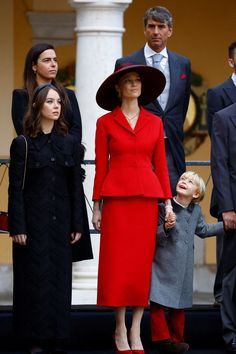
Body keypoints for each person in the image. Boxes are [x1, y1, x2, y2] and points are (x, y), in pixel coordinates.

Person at [92, 63, 172, 354]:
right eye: (129, 80)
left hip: (146, 200)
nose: (135, 85)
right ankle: (119, 327)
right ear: (118, 87)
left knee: (140, 267)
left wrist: (168, 203)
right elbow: (102, 164)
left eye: (138, 80)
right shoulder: (105, 123)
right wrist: (97, 206)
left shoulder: (155, 122)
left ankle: (136, 329)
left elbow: (161, 165)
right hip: (116, 200)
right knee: (118, 266)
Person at [8, 84, 93, 354]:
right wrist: (17, 226)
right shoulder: (22, 143)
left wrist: (79, 224)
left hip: (61, 224)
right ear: (37, 106)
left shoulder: (69, 143)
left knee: (59, 280)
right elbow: (15, 189)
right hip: (32, 226)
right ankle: (35, 339)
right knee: (33, 281)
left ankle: (58, 337)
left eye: (59, 102)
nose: (57, 106)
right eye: (51, 102)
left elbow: (74, 187)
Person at [115, 6, 191, 193]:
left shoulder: (183, 63)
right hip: (138, 144)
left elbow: (182, 104)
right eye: (151, 26)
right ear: (144, 29)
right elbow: (120, 105)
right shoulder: (126, 63)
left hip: (171, 144)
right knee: (140, 194)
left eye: (161, 26)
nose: (155, 31)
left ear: (170, 30)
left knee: (173, 198)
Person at [150, 171, 224, 353]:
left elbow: (204, 230)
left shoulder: (196, 211)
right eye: (183, 178)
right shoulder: (163, 207)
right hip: (161, 265)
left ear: (196, 194)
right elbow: (153, 236)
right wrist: (165, 228)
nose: (184, 181)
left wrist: (226, 225)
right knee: (157, 301)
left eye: (190, 181)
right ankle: (162, 339)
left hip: (183, 266)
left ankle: (177, 339)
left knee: (179, 303)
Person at [207, 41, 236, 305]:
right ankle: (221, 296)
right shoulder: (218, 94)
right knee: (227, 252)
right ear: (231, 61)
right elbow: (219, 152)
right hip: (228, 185)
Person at [11, 43, 83, 142]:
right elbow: (24, 131)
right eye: (47, 60)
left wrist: (65, 150)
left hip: (65, 154)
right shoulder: (22, 96)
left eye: (55, 60)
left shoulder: (69, 94)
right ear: (34, 66)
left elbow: (76, 131)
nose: (53, 64)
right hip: (36, 154)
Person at [211, 102, 236, 352]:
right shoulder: (223, 117)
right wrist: (227, 208)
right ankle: (232, 334)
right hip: (234, 208)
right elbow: (219, 165)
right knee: (232, 276)